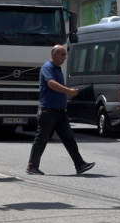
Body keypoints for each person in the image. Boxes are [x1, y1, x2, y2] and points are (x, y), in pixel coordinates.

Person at [27, 45, 95, 175]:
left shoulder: (57, 69)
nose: (65, 57)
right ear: (54, 55)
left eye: (65, 54)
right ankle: (32, 166)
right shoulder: (48, 67)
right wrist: (68, 91)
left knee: (69, 138)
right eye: (62, 54)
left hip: (60, 111)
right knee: (41, 139)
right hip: (48, 110)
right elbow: (51, 83)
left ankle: (79, 165)